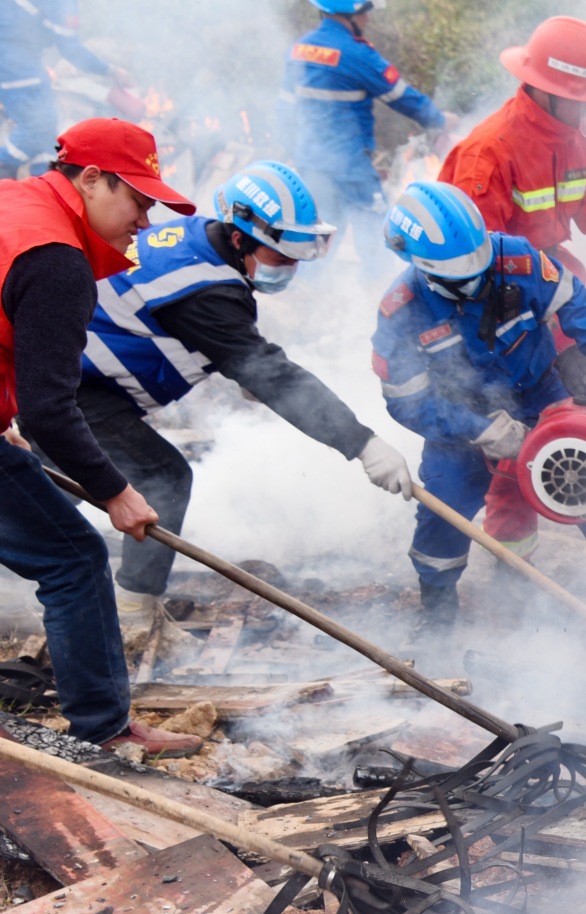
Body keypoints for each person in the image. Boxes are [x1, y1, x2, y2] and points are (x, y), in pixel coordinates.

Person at [78, 160, 416, 633]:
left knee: (58, 481)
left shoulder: (202, 245)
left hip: (83, 381)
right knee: (162, 476)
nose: (290, 270)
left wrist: (241, 364)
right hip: (75, 387)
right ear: (240, 237)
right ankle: (131, 617)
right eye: (280, 258)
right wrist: (361, 443)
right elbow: (274, 375)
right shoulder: (203, 289)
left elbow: (218, 337)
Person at [370, 181, 586, 639]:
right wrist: (479, 429)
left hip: (538, 393)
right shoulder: (401, 312)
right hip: (460, 425)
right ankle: (437, 623)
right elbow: (406, 402)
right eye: (460, 281)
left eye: (480, 269)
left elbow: (573, 301)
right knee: (442, 515)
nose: (476, 284)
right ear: (422, 268)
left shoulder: (517, 259)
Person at [0, 118, 203, 756]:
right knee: (76, 560)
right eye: (137, 200)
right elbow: (52, 409)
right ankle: (105, 731)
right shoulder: (57, 259)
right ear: (90, 178)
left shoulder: (16, 200)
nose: (144, 219)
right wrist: (116, 491)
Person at [439, 16, 586, 332]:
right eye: (583, 102)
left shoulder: (577, 138)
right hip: (486, 301)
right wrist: (535, 317)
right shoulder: (489, 153)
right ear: (547, 91)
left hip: (542, 277)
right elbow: (475, 268)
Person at [280, 0, 449, 236]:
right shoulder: (356, 53)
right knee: (377, 240)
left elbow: (285, 111)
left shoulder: (299, 50)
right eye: (364, 13)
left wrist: (298, 155)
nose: (367, 19)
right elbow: (402, 97)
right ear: (351, 15)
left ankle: (316, 275)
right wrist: (439, 120)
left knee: (317, 242)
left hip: (311, 166)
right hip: (350, 169)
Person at [0, 0, 132, 177]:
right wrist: (110, 70)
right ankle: (6, 167)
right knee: (37, 127)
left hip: (20, 59)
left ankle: (43, 187)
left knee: (46, 136)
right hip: (15, 62)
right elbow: (70, 49)